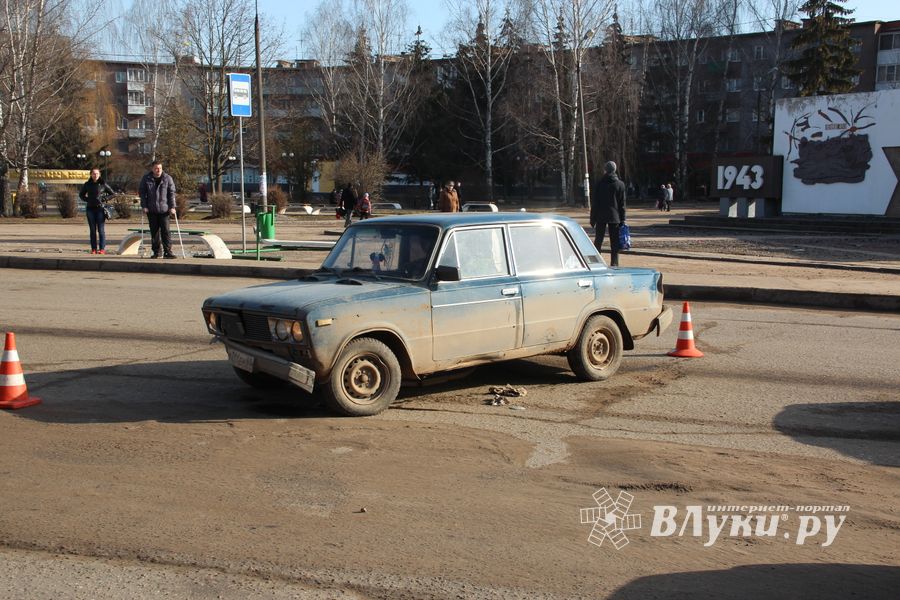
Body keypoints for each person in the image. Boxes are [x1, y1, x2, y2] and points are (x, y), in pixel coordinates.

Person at [590, 161, 627, 267]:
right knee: (614, 242)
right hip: (615, 216)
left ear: (605, 170)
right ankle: (614, 263)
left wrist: (593, 218)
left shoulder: (599, 183)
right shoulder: (620, 184)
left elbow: (595, 203)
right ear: (614, 170)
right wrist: (623, 219)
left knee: (598, 240)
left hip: (601, 216)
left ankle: (596, 263)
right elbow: (622, 204)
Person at [139, 160, 177, 259]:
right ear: (152, 169)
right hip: (151, 210)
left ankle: (168, 251)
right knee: (154, 232)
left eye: (160, 168)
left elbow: (171, 194)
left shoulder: (167, 178)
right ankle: (156, 252)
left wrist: (172, 207)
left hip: (164, 210)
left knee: (166, 231)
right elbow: (142, 193)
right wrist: (144, 206)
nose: (158, 170)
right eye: (156, 168)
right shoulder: (146, 178)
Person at [79, 167, 115, 254]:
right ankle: (93, 249)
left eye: (97, 174)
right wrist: (88, 200)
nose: (95, 175)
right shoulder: (87, 184)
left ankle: (102, 249)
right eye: (94, 174)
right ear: (91, 175)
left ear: (99, 175)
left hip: (100, 209)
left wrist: (105, 199)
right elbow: (81, 195)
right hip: (90, 209)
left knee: (101, 230)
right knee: (92, 230)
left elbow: (113, 194)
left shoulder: (103, 184)